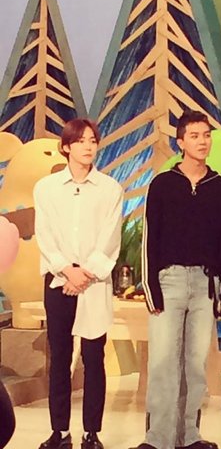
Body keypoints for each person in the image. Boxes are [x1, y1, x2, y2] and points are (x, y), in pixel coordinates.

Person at [131, 110, 221, 449]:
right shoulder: (162, 184)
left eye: (206, 135)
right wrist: (151, 288)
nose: (202, 141)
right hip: (169, 280)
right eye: (194, 135)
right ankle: (157, 438)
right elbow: (150, 240)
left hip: (205, 285)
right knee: (163, 362)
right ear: (180, 142)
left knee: (195, 364)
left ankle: (189, 435)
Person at [34, 119, 123, 449]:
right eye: (81, 141)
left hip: (93, 283)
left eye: (93, 141)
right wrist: (66, 270)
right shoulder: (46, 188)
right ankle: (59, 431)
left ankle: (91, 432)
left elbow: (110, 237)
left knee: (93, 357)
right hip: (59, 281)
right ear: (66, 147)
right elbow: (45, 234)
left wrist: (85, 273)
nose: (88, 146)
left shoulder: (110, 188)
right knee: (59, 357)